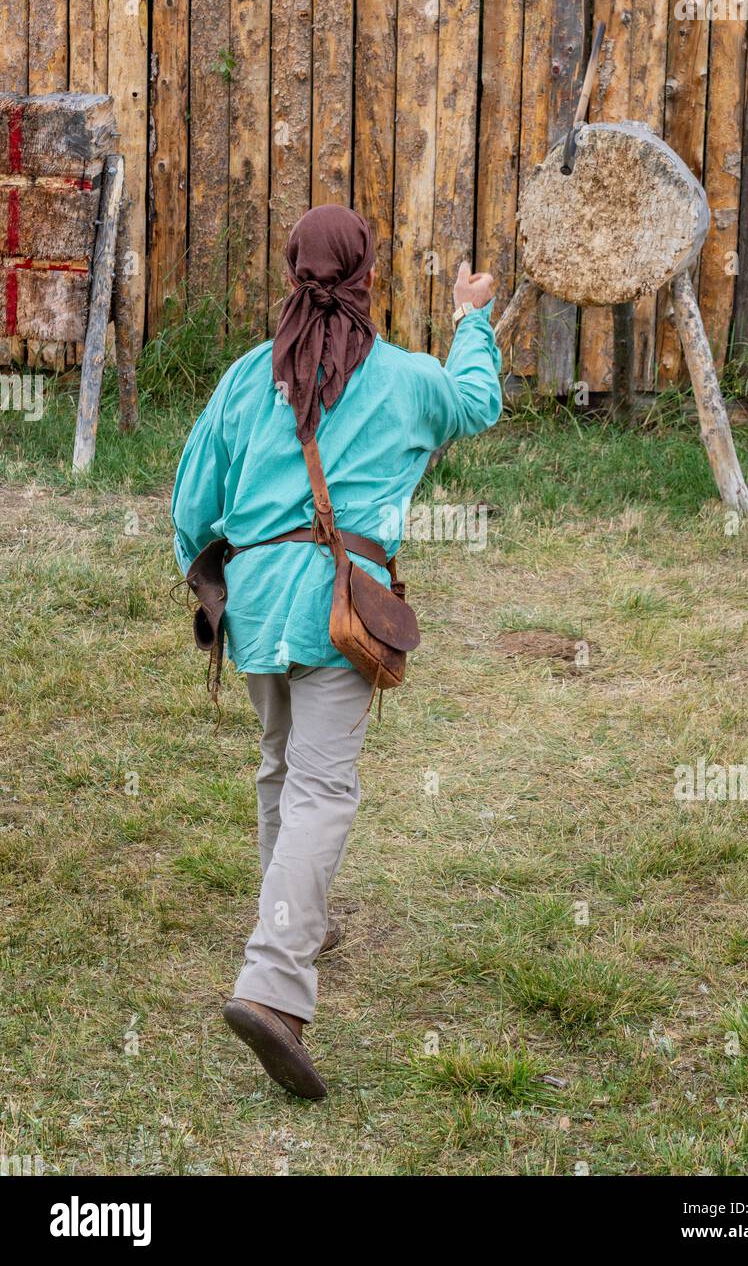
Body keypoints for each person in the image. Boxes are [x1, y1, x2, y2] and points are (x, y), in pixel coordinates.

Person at [172, 204, 502, 1098]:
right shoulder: (404, 380)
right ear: (365, 278)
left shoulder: (247, 378)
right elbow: (477, 402)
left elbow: (191, 503)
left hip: (255, 607)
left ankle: (294, 926)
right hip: (341, 613)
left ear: (293, 273)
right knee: (321, 786)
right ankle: (274, 986)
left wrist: (208, 580)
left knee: (283, 768)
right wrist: (473, 320)